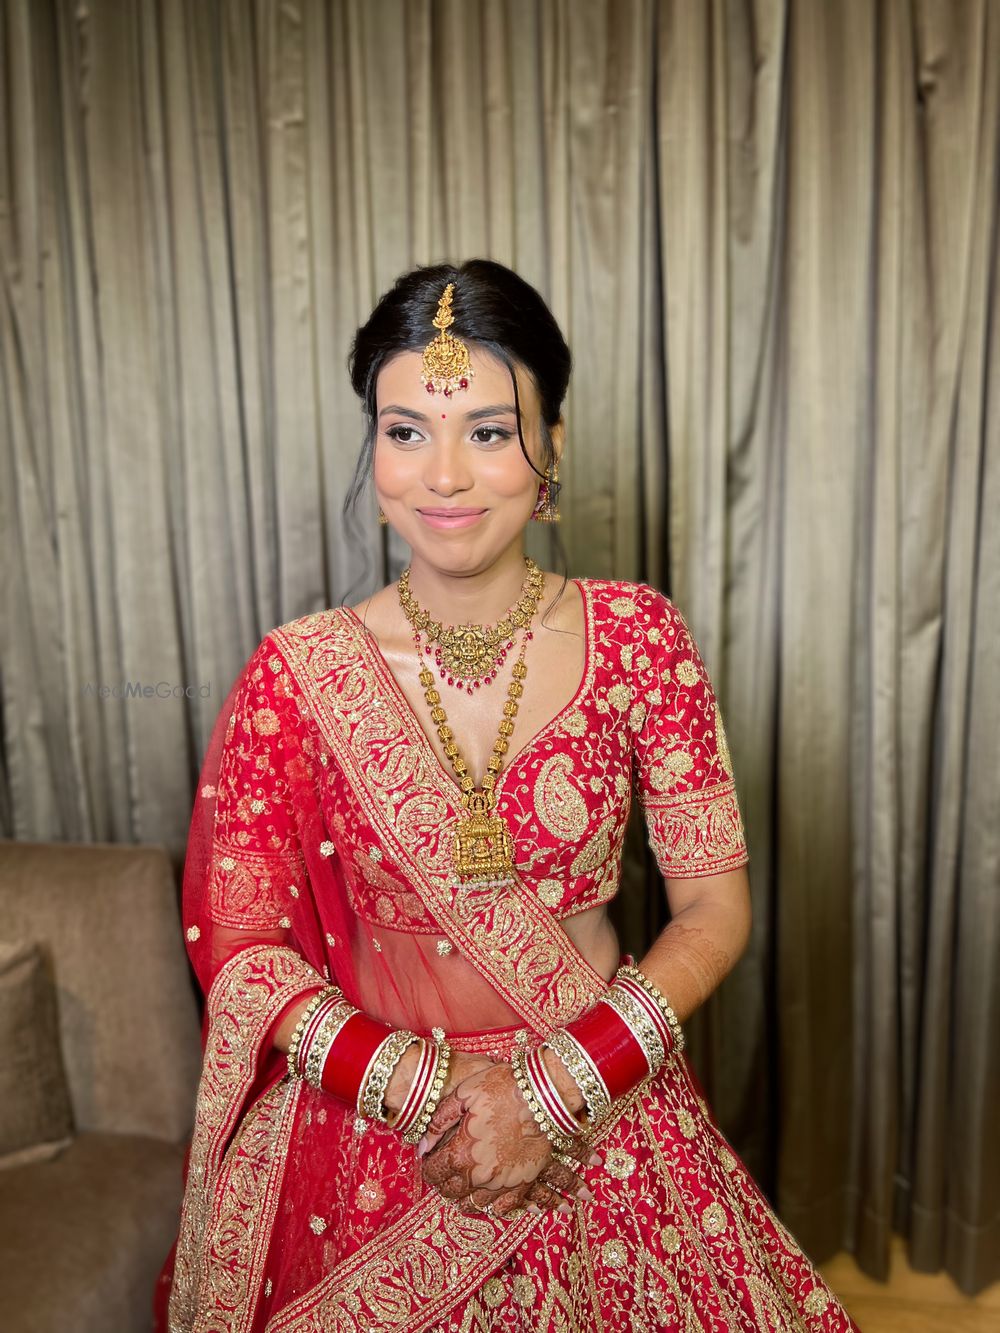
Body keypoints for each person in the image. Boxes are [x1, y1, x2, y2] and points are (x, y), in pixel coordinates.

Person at [156, 259, 858, 1332]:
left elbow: (715, 909)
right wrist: (417, 1088)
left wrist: (551, 1088)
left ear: (552, 448)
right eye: (406, 430)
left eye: (488, 431)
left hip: (595, 1099)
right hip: (375, 1127)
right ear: (373, 447)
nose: (444, 476)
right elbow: (243, 950)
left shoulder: (639, 640)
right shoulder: (298, 676)